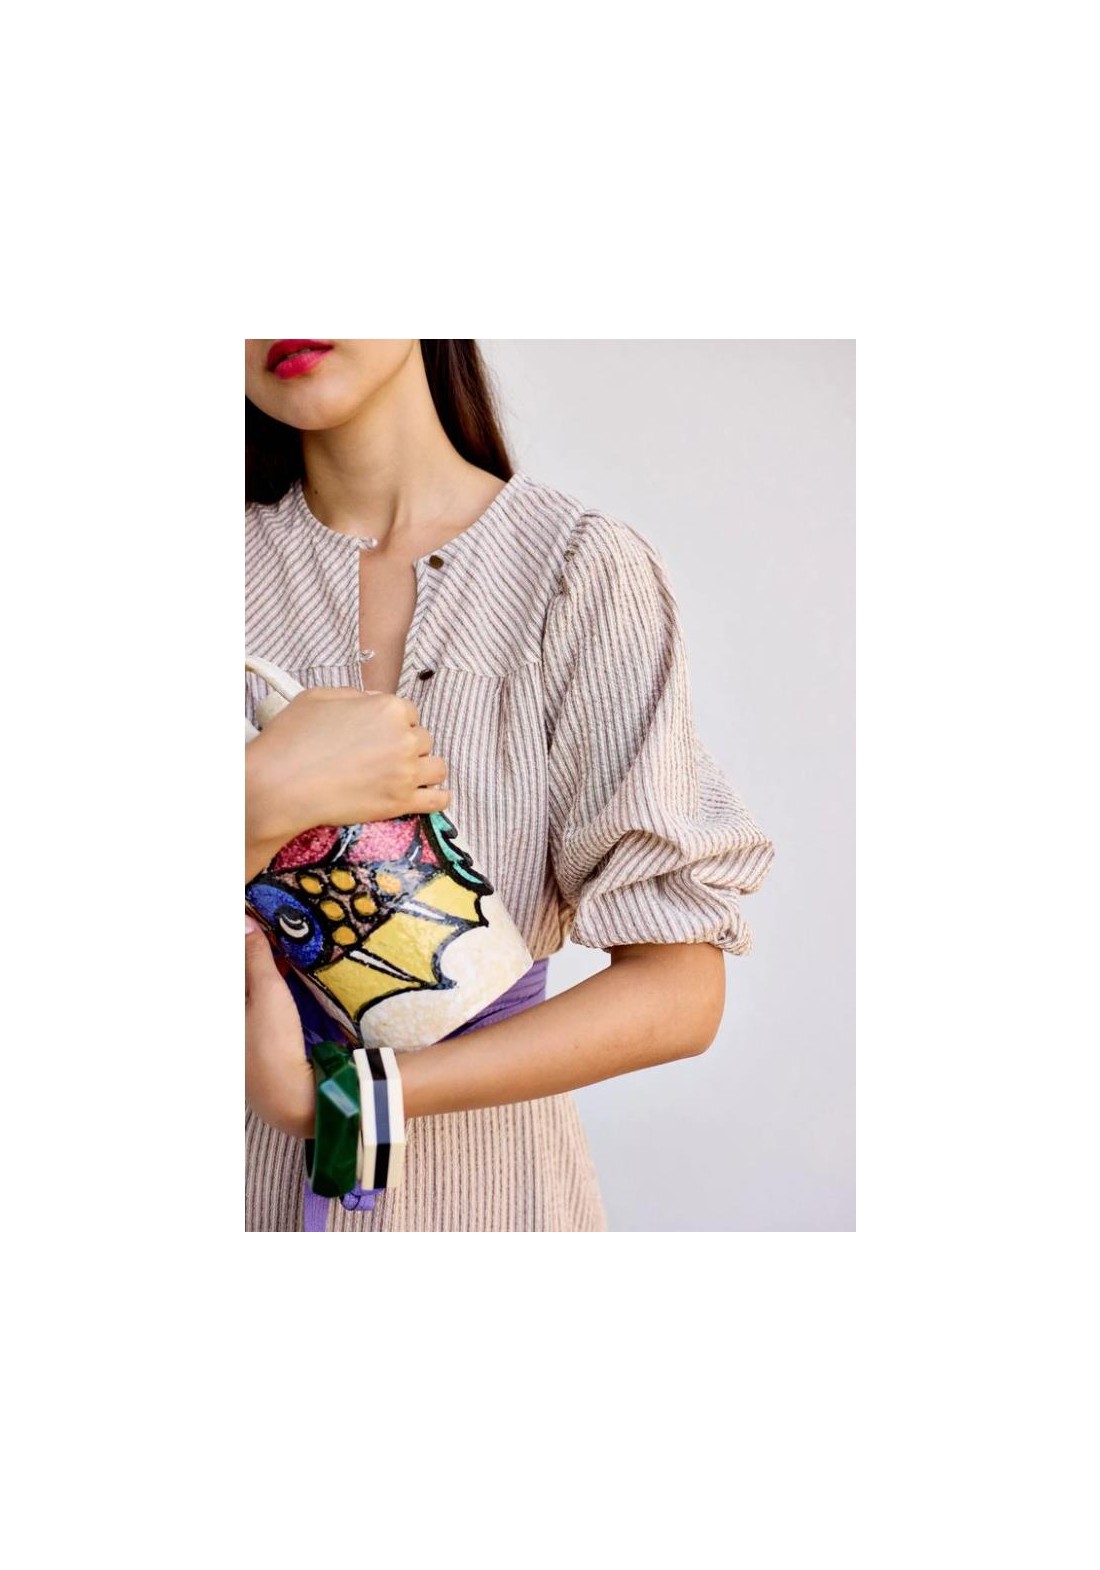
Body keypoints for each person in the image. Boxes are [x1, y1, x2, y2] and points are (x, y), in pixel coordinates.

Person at [245, 338, 775, 1231]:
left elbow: (680, 988)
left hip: (498, 1198)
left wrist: (352, 1097)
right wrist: (259, 800)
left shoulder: (574, 572)